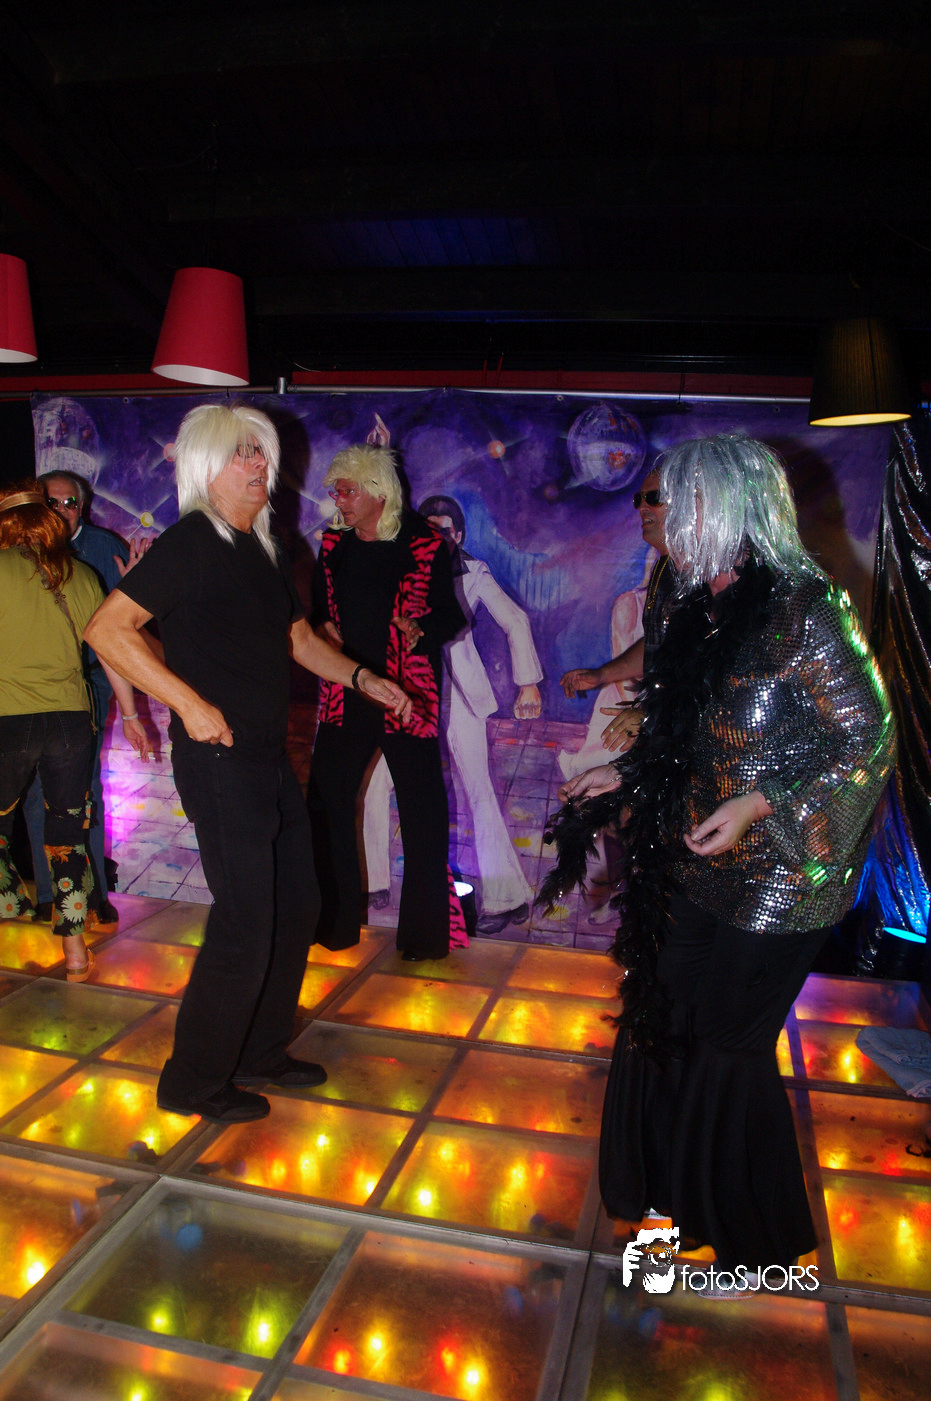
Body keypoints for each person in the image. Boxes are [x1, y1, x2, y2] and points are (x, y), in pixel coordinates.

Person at [543, 435, 895, 1276]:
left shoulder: (804, 607)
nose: (663, 519)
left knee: (727, 1045)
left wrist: (757, 802)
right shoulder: (680, 595)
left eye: (682, 502)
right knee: (663, 1013)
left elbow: (866, 738)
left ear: (732, 508)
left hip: (785, 865)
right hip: (694, 848)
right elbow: (677, 721)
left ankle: (747, 1241)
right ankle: (663, 1201)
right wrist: (624, 773)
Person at [84, 406, 412, 1124]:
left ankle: (261, 1050)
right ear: (207, 464)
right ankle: (193, 1080)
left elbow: (301, 640)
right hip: (218, 759)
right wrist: (187, 703)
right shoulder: (193, 540)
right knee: (244, 919)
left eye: (261, 452)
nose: (259, 464)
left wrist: (362, 677)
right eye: (242, 453)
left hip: (265, 756)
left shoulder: (262, 545)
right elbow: (107, 628)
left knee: (296, 904)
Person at [307, 443, 467, 959]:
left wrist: (421, 628)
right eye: (335, 490)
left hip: (407, 696)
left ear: (378, 492)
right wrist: (322, 626)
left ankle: (424, 938)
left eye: (346, 490)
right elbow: (314, 612)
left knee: (422, 813)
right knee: (326, 802)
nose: (338, 499)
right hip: (346, 693)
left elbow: (451, 615)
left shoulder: (424, 544)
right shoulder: (333, 544)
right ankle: (332, 926)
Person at [364, 493, 543, 934]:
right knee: (376, 782)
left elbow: (515, 619)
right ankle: (373, 880)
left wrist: (528, 682)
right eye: (427, 529)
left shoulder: (474, 572)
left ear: (458, 535)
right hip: (409, 693)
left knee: (478, 790)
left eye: (443, 531)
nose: (435, 537)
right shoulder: (402, 566)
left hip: (459, 694)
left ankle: (507, 897)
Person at [0, 485, 149, 979]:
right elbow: (110, 650)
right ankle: (76, 953)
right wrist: (131, 715)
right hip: (69, 722)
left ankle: (9, 905)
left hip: (8, 718)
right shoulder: (79, 574)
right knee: (68, 835)